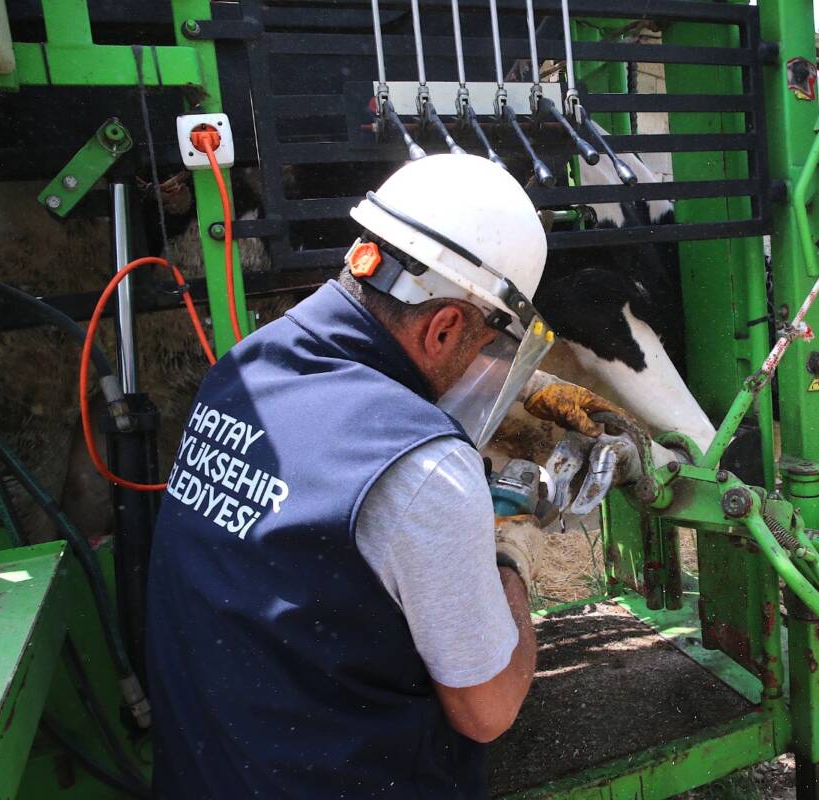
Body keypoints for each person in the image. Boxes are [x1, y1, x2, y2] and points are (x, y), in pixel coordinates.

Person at [145, 154, 615, 798]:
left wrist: (526, 388)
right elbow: (489, 711)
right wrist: (510, 557)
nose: (482, 369)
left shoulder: (243, 372)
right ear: (446, 325)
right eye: (485, 350)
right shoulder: (424, 469)